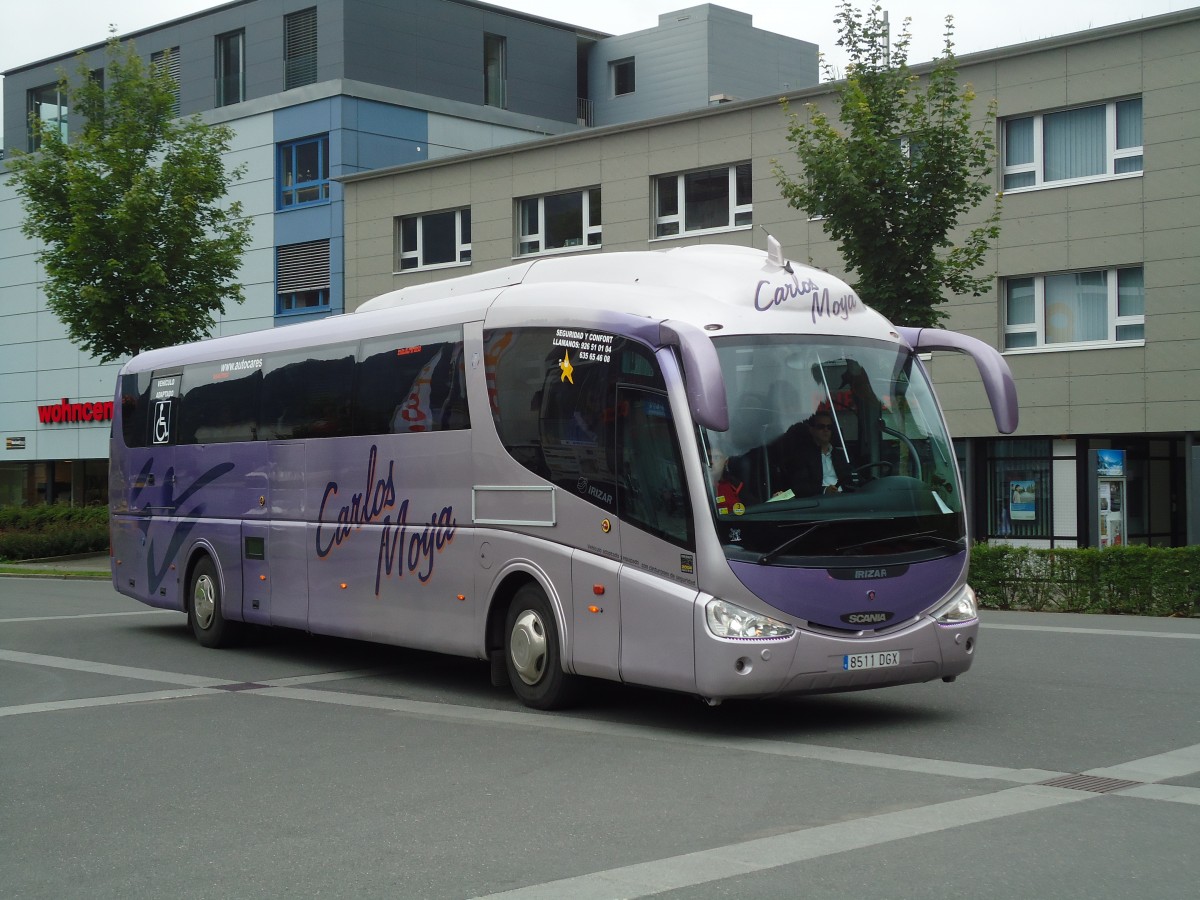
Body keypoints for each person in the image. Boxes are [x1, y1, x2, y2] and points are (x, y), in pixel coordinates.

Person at [778, 412, 852, 496]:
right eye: (821, 426)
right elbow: (800, 486)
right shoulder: (803, 456)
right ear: (812, 430)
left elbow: (852, 478)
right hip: (818, 502)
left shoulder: (842, 454)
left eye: (829, 427)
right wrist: (824, 491)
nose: (826, 430)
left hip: (846, 498)